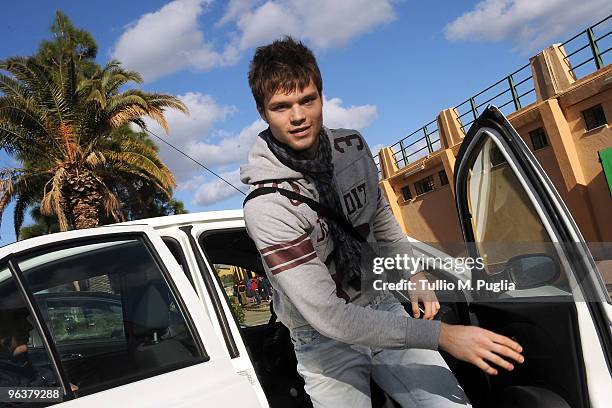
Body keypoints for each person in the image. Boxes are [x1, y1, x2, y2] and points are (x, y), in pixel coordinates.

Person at [241, 37, 524, 408]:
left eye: (307, 100)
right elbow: (331, 317)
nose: (298, 117)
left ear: (322, 96)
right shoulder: (268, 206)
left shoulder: (352, 148)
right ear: (263, 112)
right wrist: (442, 335)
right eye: (281, 107)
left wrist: (415, 276)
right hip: (322, 339)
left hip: (379, 302)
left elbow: (378, 216)